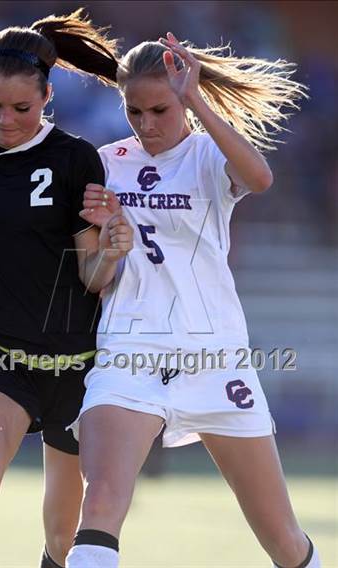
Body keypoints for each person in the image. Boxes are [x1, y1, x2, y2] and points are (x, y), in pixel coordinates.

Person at [62, 33, 321, 568]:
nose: (147, 124)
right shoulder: (104, 163)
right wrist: (110, 246)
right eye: (134, 111)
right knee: (102, 500)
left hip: (215, 355)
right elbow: (93, 279)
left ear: (183, 99)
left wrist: (199, 97)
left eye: (160, 108)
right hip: (129, 351)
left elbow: (260, 178)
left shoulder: (208, 153)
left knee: (284, 540)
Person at [0, 10, 132, 568]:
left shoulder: (75, 157)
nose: (5, 120)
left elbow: (92, 277)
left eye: (21, 107)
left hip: (77, 366)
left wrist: (111, 247)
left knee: (63, 538)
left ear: (46, 98)